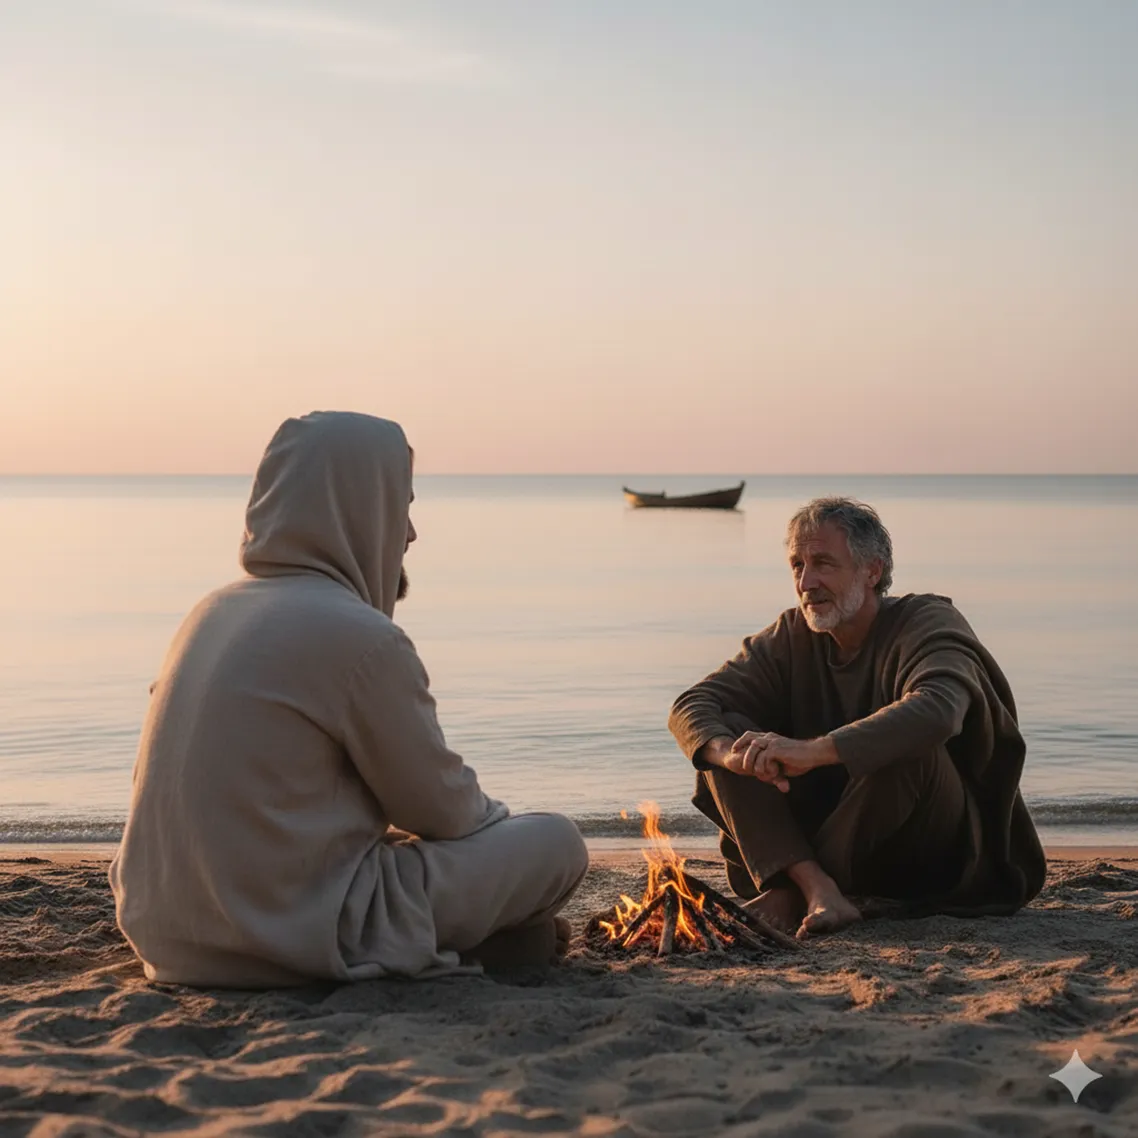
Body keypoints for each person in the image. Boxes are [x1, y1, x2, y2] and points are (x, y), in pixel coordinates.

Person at [110, 411, 587, 986]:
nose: (410, 534)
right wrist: (500, 829)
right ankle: (484, 942)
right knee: (556, 842)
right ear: (359, 507)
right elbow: (444, 811)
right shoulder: (361, 638)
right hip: (297, 935)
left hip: (171, 939)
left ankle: (493, 941)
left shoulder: (206, 615)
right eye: (403, 507)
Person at [668, 497, 1046, 941]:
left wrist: (813, 752)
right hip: (839, 854)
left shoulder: (926, 621)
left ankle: (793, 893)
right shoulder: (792, 635)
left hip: (934, 853)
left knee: (909, 745)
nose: (806, 582)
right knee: (731, 735)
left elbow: (939, 709)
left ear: (872, 571)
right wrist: (732, 756)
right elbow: (692, 704)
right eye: (797, 566)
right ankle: (813, 886)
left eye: (823, 563)